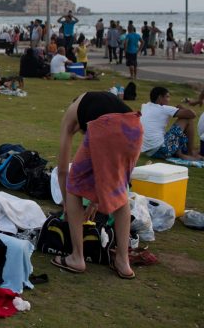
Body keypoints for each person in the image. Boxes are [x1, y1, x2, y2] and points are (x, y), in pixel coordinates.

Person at [53, 91, 143, 279]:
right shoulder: (98, 105)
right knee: (120, 189)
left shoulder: (71, 114)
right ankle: (123, 261)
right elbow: (102, 174)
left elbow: (63, 170)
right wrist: (94, 202)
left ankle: (77, 257)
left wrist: (67, 206)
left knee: (74, 184)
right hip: (134, 128)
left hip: (109, 129)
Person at [139, 86, 199, 160]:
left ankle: (180, 152)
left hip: (149, 152)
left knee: (168, 132)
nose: (169, 100)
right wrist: (182, 107)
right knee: (187, 120)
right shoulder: (163, 108)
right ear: (160, 98)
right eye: (167, 97)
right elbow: (192, 114)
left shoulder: (145, 106)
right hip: (162, 150)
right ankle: (190, 153)